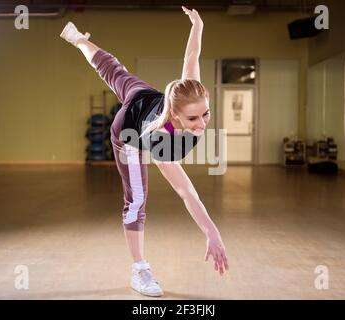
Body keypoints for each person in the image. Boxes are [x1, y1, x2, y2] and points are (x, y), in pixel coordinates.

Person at [60, 6, 228, 297]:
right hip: (129, 133)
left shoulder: (189, 91)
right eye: (193, 119)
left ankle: (79, 39)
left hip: (143, 96)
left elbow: (191, 58)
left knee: (112, 67)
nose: (202, 124)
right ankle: (139, 270)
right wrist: (212, 232)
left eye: (206, 114)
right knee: (137, 199)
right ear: (174, 114)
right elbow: (186, 191)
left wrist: (197, 25)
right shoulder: (161, 140)